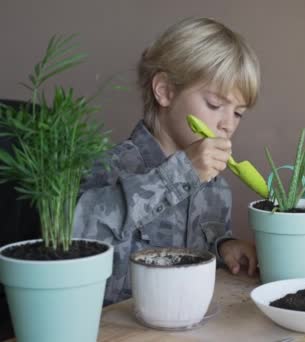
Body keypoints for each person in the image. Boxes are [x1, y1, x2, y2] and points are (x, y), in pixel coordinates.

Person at [73, 17, 259, 305]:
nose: (227, 124)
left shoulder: (216, 187)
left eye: (238, 113)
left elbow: (206, 248)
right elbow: (78, 237)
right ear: (165, 91)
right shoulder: (109, 168)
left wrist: (225, 247)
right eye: (215, 104)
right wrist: (180, 174)